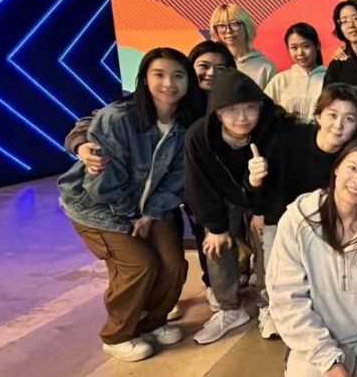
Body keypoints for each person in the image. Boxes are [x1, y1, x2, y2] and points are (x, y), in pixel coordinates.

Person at [64, 40, 235, 321]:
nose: (211, 73)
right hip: (141, 199)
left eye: (221, 68)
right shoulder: (147, 108)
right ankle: (139, 317)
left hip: (178, 192)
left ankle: (174, 306)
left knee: (184, 255)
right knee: (142, 261)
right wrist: (80, 144)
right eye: (204, 66)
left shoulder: (227, 99)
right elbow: (94, 123)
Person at [56, 47, 204, 362]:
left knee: (174, 265)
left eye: (178, 75)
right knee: (139, 265)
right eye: (159, 75)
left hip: (153, 207)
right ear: (144, 79)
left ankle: (152, 323)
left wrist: (151, 214)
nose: (169, 83)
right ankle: (118, 335)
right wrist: (132, 216)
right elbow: (102, 184)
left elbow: (177, 177)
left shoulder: (187, 121)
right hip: (98, 209)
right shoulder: (119, 118)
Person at [267, 138, 357, 377]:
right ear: (336, 168)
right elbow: (286, 298)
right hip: (319, 338)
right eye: (352, 168)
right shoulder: (297, 220)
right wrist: (328, 360)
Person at [183, 69, 304, 344]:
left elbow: (282, 181)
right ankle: (230, 309)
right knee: (215, 243)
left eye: (250, 108)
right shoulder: (199, 136)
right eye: (231, 110)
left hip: (266, 196)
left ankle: (268, 305)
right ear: (217, 112)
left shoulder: (275, 131)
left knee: (269, 239)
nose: (242, 117)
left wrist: (262, 211)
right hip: (222, 196)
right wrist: (216, 227)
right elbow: (198, 185)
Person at [247, 83, 357, 338]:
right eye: (332, 115)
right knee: (274, 267)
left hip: (324, 223)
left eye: (349, 119)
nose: (338, 125)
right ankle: (269, 308)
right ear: (318, 116)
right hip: (281, 219)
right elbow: (264, 184)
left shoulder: (353, 155)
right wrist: (258, 205)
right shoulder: (288, 139)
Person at [265, 23, 327, 122]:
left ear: (317, 45)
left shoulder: (330, 77)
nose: (300, 53)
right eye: (294, 48)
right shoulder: (280, 80)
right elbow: (265, 111)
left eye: (305, 46)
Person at [210, 3, 277, 89]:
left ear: (246, 26)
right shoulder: (213, 62)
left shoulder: (265, 67)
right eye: (222, 26)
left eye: (234, 24)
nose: (228, 30)